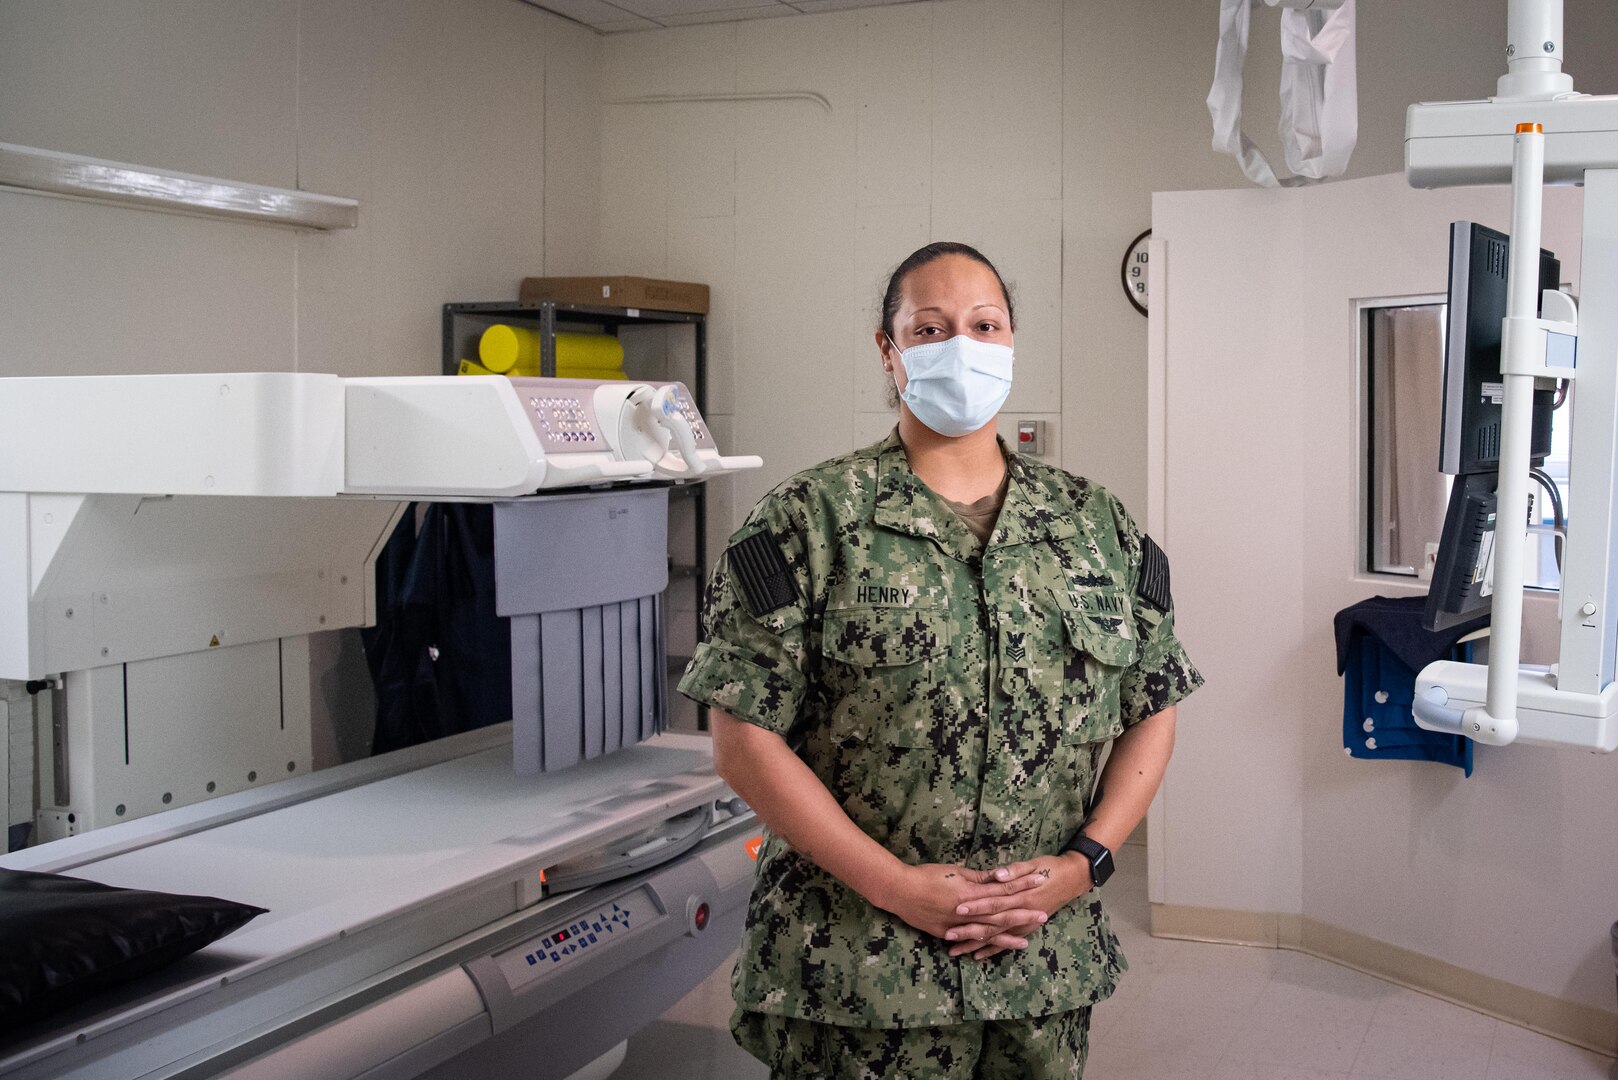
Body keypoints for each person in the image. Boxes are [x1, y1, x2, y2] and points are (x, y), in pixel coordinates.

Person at [677, 241, 1203, 1079]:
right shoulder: (810, 521)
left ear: (1012, 342)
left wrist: (1086, 864)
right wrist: (897, 886)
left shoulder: (1095, 526)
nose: (962, 344)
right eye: (930, 327)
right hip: (856, 974)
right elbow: (743, 738)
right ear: (888, 352)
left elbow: (1154, 705)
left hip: (1041, 972)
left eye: (983, 324)